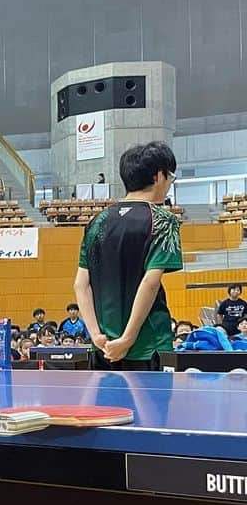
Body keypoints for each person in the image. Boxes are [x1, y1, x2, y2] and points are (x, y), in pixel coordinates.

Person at [74, 141, 183, 370]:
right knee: (152, 408)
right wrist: (128, 339)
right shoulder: (162, 221)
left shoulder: (97, 222)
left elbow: (81, 284)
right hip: (148, 345)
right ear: (159, 175)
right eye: (170, 176)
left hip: (103, 347)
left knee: (110, 407)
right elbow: (150, 281)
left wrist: (96, 335)